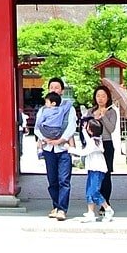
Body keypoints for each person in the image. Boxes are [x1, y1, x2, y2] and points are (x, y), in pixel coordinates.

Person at [35, 76, 77, 221]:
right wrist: (46, 139)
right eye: (51, 87)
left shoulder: (68, 108)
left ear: (62, 90)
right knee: (52, 180)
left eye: (57, 87)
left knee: (64, 180)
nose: (54, 89)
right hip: (48, 148)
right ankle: (56, 205)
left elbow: (72, 126)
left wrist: (61, 139)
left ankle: (62, 209)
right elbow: (37, 128)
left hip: (63, 148)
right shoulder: (43, 109)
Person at [74, 116, 113, 223]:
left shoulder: (93, 143)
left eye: (88, 128)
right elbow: (87, 138)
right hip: (93, 169)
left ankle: (107, 209)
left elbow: (84, 152)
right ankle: (90, 213)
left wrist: (70, 149)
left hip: (97, 169)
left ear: (91, 130)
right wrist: (83, 128)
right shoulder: (96, 139)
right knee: (89, 191)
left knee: (94, 191)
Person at [91, 84, 121, 209]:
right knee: (95, 173)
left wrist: (103, 117)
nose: (100, 98)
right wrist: (94, 119)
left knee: (106, 173)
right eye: (98, 95)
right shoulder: (91, 111)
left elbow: (111, 129)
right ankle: (94, 201)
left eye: (103, 96)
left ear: (107, 98)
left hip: (107, 144)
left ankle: (106, 202)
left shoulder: (111, 112)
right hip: (94, 145)